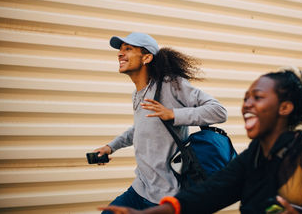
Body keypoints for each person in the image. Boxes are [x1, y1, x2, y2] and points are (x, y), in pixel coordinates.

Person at [99, 66, 302, 214]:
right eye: (246, 98)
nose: (247, 105)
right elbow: (207, 194)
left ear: (285, 108)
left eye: (258, 98)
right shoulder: (254, 158)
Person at [94, 32, 228, 212]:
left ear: (147, 57)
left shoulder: (171, 85)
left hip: (166, 194)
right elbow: (140, 128)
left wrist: (173, 114)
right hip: (141, 187)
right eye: (120, 50)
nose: (120, 53)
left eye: (128, 49)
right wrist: (111, 147)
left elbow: (218, 111)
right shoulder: (138, 93)